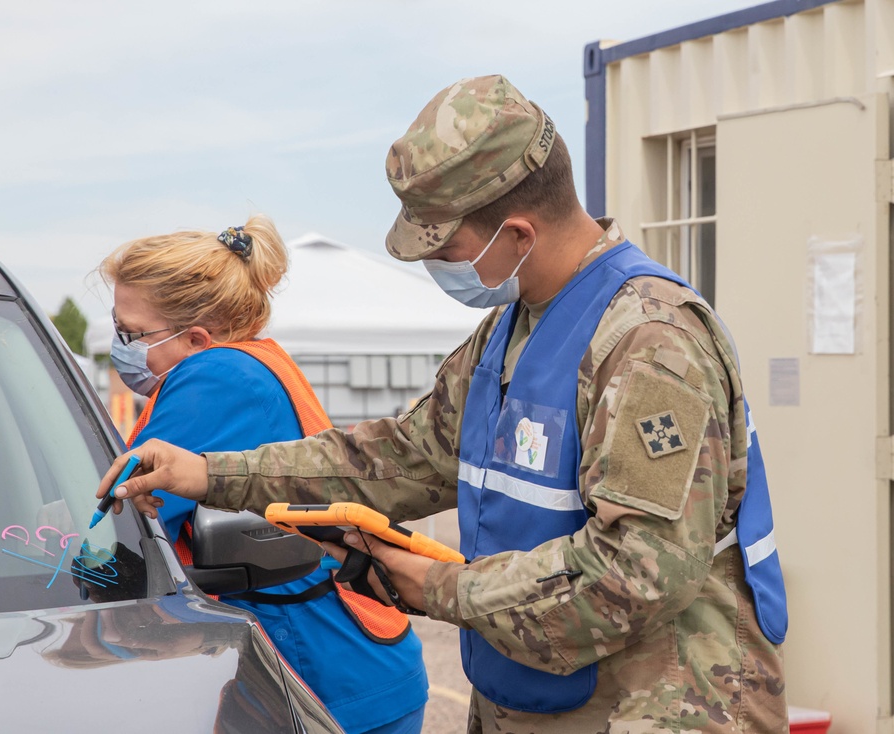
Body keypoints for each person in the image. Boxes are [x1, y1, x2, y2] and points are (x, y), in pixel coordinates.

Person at [98, 76, 789, 733]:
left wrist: (440, 588)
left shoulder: (650, 341)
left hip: (661, 711)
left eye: (447, 250)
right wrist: (209, 473)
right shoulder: (512, 330)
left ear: (517, 234)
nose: (438, 271)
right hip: (536, 701)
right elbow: (397, 458)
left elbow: (639, 573)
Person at [97, 217, 428, 734]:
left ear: (198, 338)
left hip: (325, 679)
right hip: (348, 664)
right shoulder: (256, 360)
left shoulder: (216, 375)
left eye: (131, 334)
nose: (120, 345)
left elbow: (117, 524)